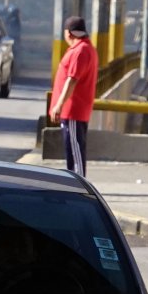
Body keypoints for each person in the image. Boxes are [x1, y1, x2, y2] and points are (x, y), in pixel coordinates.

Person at [48, 16, 99, 177]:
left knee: (75, 151)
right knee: (72, 149)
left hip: (73, 109)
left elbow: (72, 80)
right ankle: (75, 182)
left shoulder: (80, 51)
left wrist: (59, 104)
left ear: (68, 34)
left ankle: (79, 184)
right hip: (73, 109)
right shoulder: (83, 49)